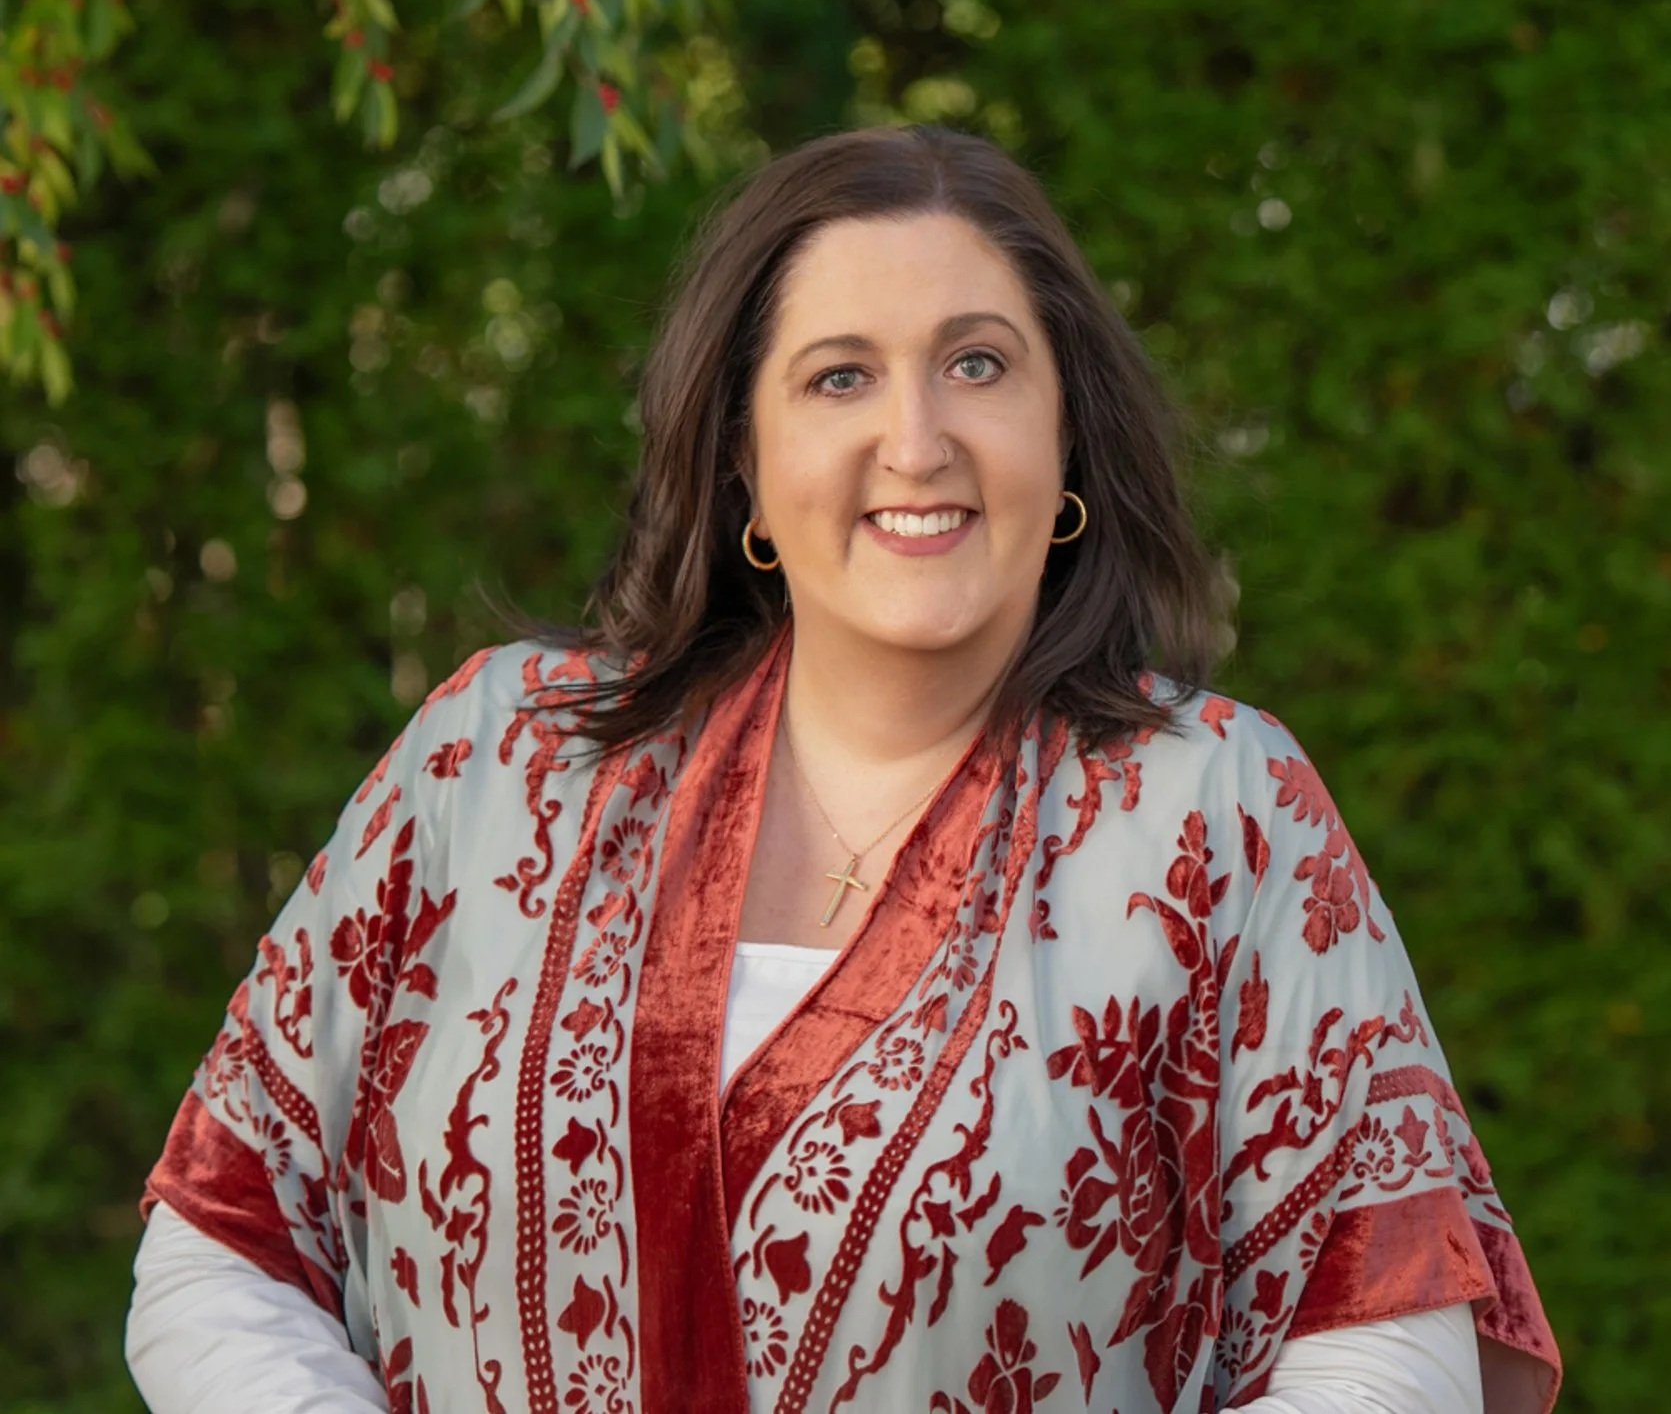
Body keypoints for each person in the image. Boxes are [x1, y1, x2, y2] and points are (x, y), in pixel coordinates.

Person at [126, 126, 1562, 1414]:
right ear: (744, 460)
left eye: (979, 364)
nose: (916, 440)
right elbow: (220, 1242)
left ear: (1068, 437)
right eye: (839, 376)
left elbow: (1389, 1340)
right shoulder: (494, 764)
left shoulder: (1213, 814)